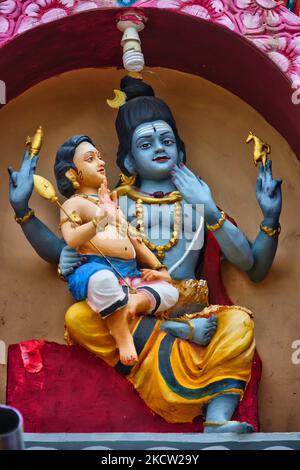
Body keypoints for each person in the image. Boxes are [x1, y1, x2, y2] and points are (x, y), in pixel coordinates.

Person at [8, 76, 282, 432]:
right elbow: (68, 249)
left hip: (193, 311)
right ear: (128, 160)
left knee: (239, 324)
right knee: (79, 317)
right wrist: (23, 212)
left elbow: (253, 267)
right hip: (133, 308)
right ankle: (169, 332)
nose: (159, 147)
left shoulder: (198, 202)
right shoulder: (113, 203)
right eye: (146, 142)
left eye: (167, 140)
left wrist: (263, 217)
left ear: (181, 152)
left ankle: (217, 418)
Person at [54, 134, 179, 365]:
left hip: (128, 274)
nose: (101, 163)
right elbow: (71, 239)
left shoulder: (110, 203)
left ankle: (133, 304)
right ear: (72, 174)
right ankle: (122, 337)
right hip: (95, 269)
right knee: (103, 281)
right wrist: (99, 222)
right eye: (90, 159)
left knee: (171, 292)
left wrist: (160, 269)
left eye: (99, 157)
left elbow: (136, 242)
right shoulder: (73, 204)